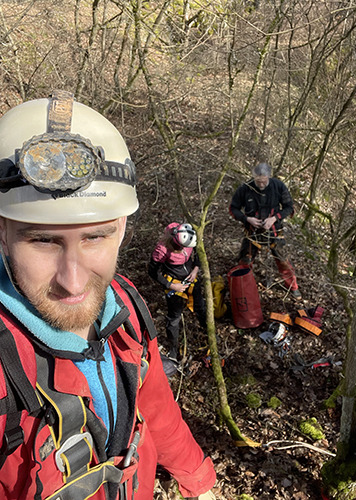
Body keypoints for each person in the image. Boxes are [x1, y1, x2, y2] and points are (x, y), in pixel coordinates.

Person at [0, 90, 216, 499]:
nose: (74, 282)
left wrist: (198, 482)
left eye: (95, 237)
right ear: (3, 233)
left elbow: (155, 409)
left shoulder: (124, 308)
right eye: (43, 241)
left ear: (120, 228)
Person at [229, 162, 302, 300]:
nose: (261, 185)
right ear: (254, 178)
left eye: (264, 181)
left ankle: (293, 287)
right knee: (245, 260)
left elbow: (289, 207)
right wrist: (247, 219)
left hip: (275, 231)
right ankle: (243, 286)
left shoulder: (278, 186)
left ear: (269, 177)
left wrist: (275, 218)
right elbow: (233, 208)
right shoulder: (246, 188)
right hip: (252, 232)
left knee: (283, 260)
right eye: (258, 181)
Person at [148, 223, 206, 362]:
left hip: (191, 277)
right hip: (173, 282)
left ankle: (208, 331)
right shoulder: (162, 250)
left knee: (200, 307)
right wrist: (172, 286)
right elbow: (152, 272)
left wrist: (196, 269)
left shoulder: (190, 233)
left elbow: (199, 251)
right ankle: (173, 349)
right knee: (174, 317)